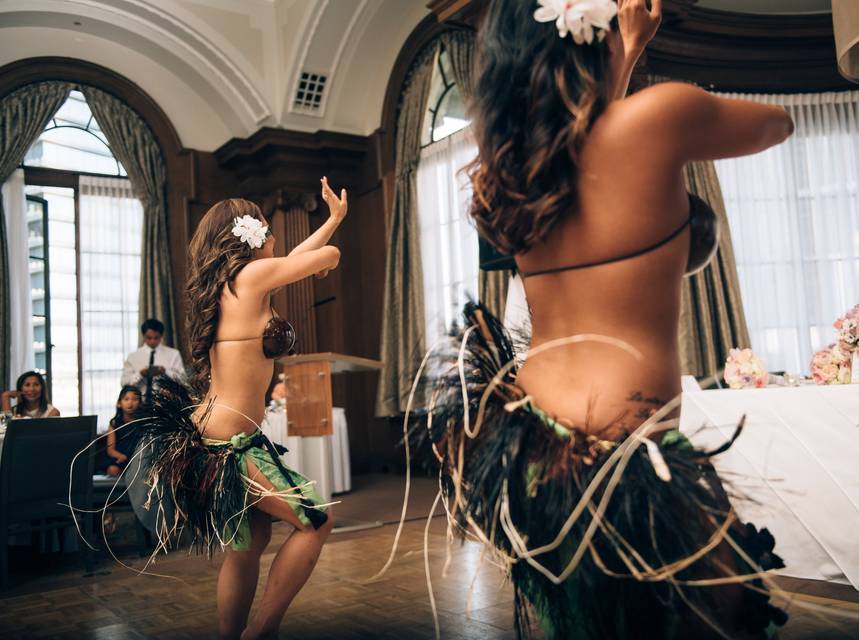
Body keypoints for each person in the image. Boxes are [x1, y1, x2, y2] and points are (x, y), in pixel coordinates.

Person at [418, 1, 795, 638]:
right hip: (623, 452)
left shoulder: (518, 167)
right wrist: (628, 62)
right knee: (726, 617)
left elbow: (590, 141)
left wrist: (621, 53)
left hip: (531, 447)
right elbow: (776, 124)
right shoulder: (663, 116)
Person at [132, 177, 346, 640]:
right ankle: (257, 634)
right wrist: (325, 259)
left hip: (210, 436)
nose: (273, 232)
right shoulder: (249, 278)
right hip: (232, 442)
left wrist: (333, 221)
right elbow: (321, 259)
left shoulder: (233, 284)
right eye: (266, 225)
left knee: (249, 543)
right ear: (249, 233)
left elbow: (292, 262)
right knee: (316, 521)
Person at [121, 319, 186, 403]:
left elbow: (183, 380)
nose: (153, 341)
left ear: (161, 336)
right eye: (149, 338)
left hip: (166, 403)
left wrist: (165, 371)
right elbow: (124, 383)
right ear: (143, 336)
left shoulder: (174, 354)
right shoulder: (133, 357)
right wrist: (140, 374)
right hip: (138, 404)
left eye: (156, 338)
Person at [104, 385, 142, 476]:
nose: (130, 403)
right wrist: (121, 456)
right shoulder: (114, 423)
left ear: (140, 403)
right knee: (112, 469)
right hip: (121, 458)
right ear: (119, 403)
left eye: (135, 399)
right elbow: (110, 450)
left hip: (137, 459)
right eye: (126, 399)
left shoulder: (142, 422)